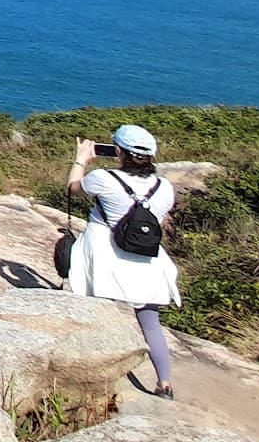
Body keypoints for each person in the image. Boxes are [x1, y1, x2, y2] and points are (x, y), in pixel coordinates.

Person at [67, 124, 180, 400]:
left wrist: (81, 159)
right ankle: (164, 383)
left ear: (119, 151)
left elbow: (73, 188)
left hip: (107, 256)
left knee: (95, 315)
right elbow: (159, 220)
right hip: (145, 260)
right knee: (150, 321)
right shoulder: (164, 187)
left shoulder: (103, 178)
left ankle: (91, 377)